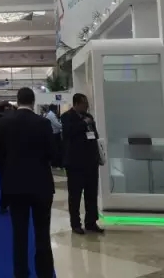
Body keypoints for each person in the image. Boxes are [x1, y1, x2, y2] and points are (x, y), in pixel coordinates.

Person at [0, 88, 56, 278]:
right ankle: (44, 273)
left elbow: (0, 153)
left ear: (17, 100)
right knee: (42, 233)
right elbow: (52, 154)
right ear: (33, 101)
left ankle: (20, 273)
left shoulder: (4, 122)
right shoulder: (43, 123)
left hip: (15, 185)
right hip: (41, 184)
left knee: (19, 234)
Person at [61, 93, 104, 234]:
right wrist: (83, 124)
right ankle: (75, 224)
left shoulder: (89, 117)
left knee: (91, 193)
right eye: (84, 103)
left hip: (91, 162)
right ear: (76, 104)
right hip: (75, 163)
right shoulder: (67, 117)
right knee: (75, 195)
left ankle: (91, 222)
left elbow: (94, 135)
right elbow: (68, 132)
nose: (87, 106)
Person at [46, 104, 63, 168]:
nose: (57, 110)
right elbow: (57, 125)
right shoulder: (51, 115)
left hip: (54, 134)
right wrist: (65, 126)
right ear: (54, 109)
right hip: (54, 135)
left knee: (56, 149)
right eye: (56, 109)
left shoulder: (51, 114)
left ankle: (55, 163)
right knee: (57, 149)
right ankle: (55, 164)